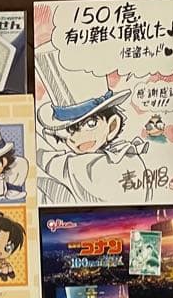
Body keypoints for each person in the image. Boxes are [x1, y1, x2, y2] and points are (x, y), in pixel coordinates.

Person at [36, 47, 149, 204]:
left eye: (91, 124)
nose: (77, 138)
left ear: (112, 126)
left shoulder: (108, 164)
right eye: (68, 132)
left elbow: (54, 163)